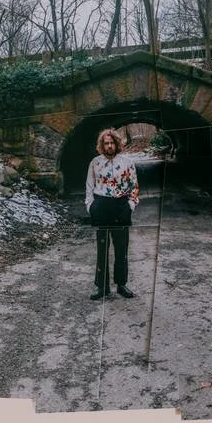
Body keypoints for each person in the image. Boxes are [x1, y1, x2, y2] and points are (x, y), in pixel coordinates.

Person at [85, 128, 140, 300]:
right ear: (102, 145)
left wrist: (130, 205)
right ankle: (102, 287)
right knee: (102, 248)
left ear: (117, 144)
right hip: (101, 206)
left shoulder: (127, 162)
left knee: (121, 248)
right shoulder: (95, 162)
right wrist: (90, 206)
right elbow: (89, 185)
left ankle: (122, 284)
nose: (109, 146)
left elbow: (134, 186)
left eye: (112, 143)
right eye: (106, 143)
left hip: (121, 206)